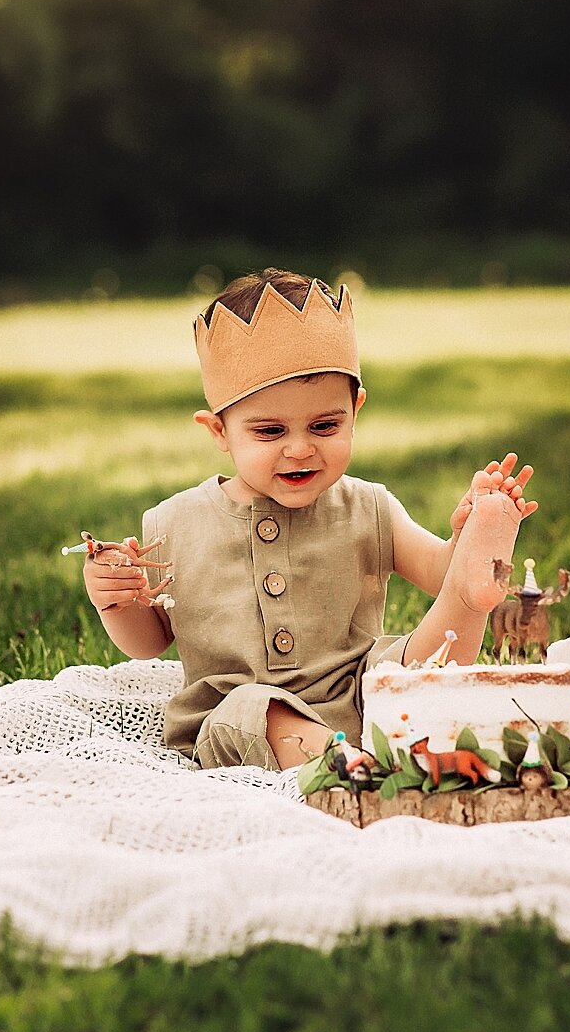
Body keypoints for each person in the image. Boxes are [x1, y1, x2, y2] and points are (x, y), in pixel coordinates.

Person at [82, 268, 537, 772]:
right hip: (240, 718)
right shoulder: (176, 521)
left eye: (325, 425)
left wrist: (462, 541)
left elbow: (434, 569)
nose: (300, 449)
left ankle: (471, 601)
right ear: (219, 431)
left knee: (409, 661)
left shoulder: (368, 507)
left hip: (360, 694)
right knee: (254, 707)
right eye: (270, 430)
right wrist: (115, 599)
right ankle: (353, 762)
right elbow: (148, 641)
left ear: (354, 411)